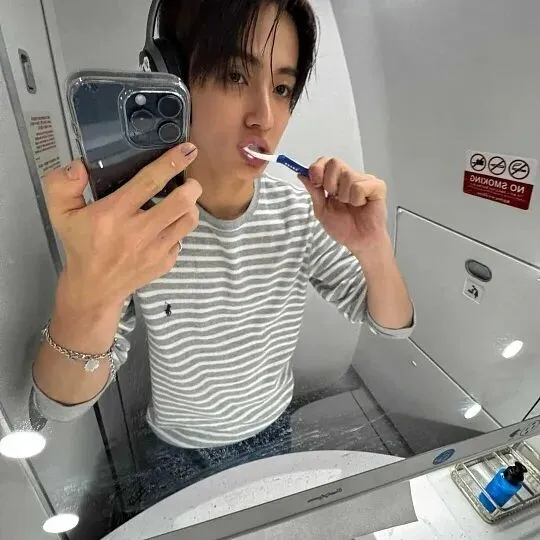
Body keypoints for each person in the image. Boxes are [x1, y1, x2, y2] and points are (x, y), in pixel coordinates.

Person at [32, 0, 414, 510]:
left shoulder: (298, 212)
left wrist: (374, 247)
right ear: (172, 78)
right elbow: (57, 405)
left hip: (274, 433)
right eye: (236, 75)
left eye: (282, 88)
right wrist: (86, 293)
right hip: (176, 455)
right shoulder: (140, 226)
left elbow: (393, 325)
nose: (265, 116)